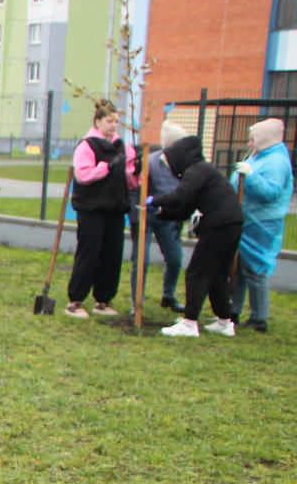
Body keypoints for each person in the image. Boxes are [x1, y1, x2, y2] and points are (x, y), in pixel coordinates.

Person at [152, 132, 244, 337]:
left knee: (197, 272)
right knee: (217, 274)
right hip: (231, 223)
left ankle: (189, 322)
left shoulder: (196, 170)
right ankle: (225, 321)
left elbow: (180, 196)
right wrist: (162, 213)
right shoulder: (203, 171)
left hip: (219, 225)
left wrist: (155, 200)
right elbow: (185, 207)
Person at [65, 99, 138, 318]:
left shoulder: (121, 146)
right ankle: (75, 300)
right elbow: (83, 175)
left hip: (115, 208)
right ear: (98, 122)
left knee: (112, 254)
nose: (114, 125)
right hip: (91, 208)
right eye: (109, 121)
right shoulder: (87, 145)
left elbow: (132, 179)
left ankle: (103, 300)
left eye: (116, 121)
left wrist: (135, 172)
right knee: (89, 252)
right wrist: (106, 167)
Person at [229, 118, 292, 333]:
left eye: (252, 138)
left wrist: (251, 176)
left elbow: (270, 193)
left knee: (256, 270)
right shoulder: (260, 156)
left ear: (264, 138)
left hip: (262, 225)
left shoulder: (276, 162)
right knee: (239, 268)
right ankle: (234, 310)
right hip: (248, 221)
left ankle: (259, 318)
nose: (249, 143)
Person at [136, 121, 189, 314]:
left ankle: (168, 295)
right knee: (142, 259)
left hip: (169, 217)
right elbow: (139, 188)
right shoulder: (151, 162)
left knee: (175, 258)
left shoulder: (185, 165)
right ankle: (137, 302)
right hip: (147, 215)